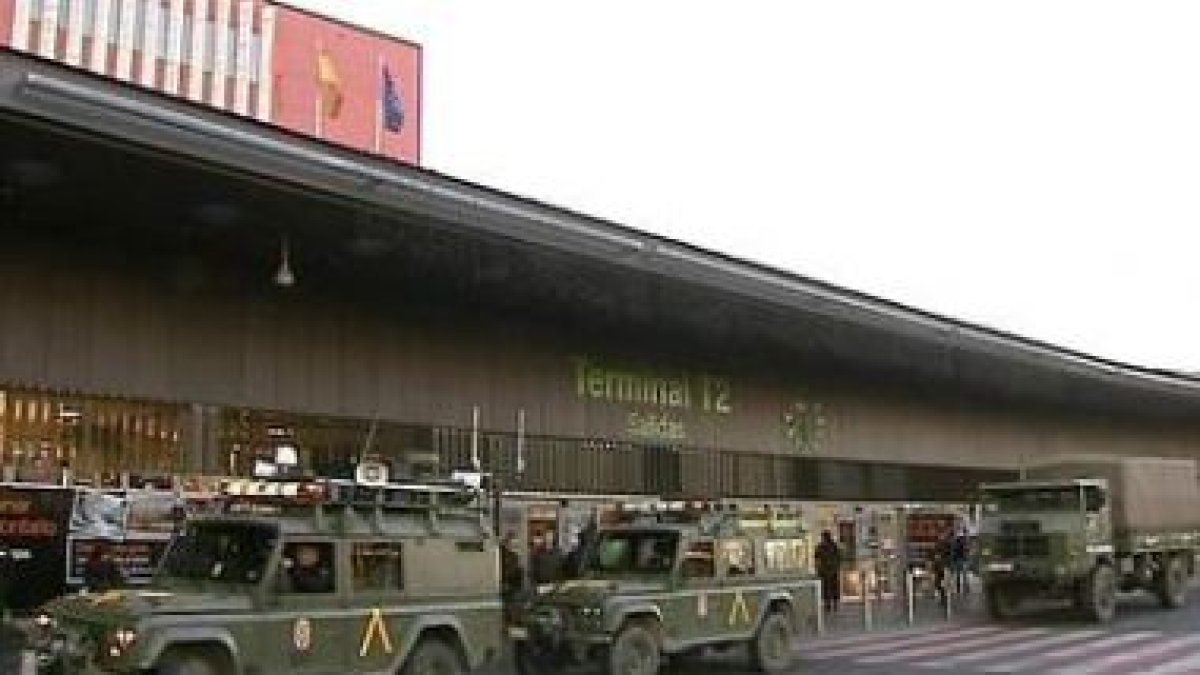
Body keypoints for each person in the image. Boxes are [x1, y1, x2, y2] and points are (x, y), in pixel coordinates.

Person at [814, 530, 843, 613]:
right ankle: (832, 604)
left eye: (823, 537)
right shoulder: (833, 546)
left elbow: (817, 558)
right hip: (830, 571)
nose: (822, 539)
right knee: (831, 588)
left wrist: (819, 568)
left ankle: (831, 605)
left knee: (829, 588)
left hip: (828, 571)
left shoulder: (825, 547)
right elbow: (839, 558)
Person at [951, 528, 971, 594]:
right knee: (964, 574)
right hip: (962, 559)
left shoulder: (956, 542)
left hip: (959, 559)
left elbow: (953, 551)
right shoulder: (965, 542)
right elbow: (967, 550)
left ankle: (959, 588)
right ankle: (965, 588)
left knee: (959, 575)